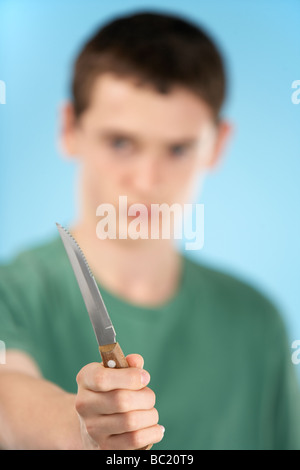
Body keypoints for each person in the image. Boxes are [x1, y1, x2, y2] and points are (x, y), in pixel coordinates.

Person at [0, 10, 299, 450]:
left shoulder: (257, 323)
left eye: (178, 148)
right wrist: (82, 429)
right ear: (70, 129)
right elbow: (7, 402)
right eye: (121, 142)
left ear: (217, 145)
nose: (145, 179)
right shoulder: (13, 295)